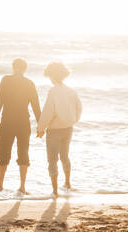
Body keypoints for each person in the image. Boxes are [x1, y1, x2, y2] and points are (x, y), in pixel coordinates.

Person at [0, 58, 41, 194]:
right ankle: (21, 187)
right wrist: (41, 125)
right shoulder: (29, 83)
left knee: (3, 154)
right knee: (22, 153)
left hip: (8, 122)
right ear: (25, 69)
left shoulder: (6, 80)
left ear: (14, 67)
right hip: (23, 123)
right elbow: (36, 106)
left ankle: (0, 185)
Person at [37, 62, 82, 197]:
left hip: (54, 130)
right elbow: (79, 108)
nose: (49, 78)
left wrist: (41, 128)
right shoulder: (71, 91)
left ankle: (55, 191)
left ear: (52, 75)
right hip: (68, 129)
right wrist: (73, 120)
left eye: (50, 75)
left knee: (52, 159)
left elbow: (48, 111)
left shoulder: (53, 91)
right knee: (64, 156)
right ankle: (67, 183)